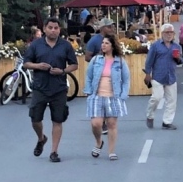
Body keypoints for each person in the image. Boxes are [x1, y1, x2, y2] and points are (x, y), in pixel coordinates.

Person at [22, 18, 78, 163]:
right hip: (40, 87)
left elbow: (74, 65)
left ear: (59, 30)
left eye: (56, 28)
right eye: (50, 27)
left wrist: (63, 71)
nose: (53, 30)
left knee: (57, 120)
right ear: (45, 29)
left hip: (59, 88)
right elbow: (26, 63)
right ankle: (41, 138)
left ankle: (54, 151)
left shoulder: (65, 45)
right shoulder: (36, 45)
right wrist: (38, 66)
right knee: (35, 118)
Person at [85, 33, 130, 160]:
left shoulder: (120, 61)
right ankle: (99, 142)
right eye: (102, 43)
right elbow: (89, 76)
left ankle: (111, 151)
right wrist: (88, 91)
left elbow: (126, 79)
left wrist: (123, 95)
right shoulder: (96, 60)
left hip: (113, 96)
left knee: (111, 124)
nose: (103, 45)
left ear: (112, 46)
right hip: (97, 95)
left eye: (106, 43)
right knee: (96, 123)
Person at [143, 23, 179, 130]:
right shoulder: (156, 45)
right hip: (158, 76)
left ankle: (167, 122)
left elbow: (180, 61)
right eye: (167, 32)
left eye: (171, 32)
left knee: (172, 101)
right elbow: (149, 61)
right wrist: (147, 74)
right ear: (162, 33)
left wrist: (178, 58)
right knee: (157, 97)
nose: (169, 34)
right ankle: (150, 115)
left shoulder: (176, 46)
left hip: (171, 77)